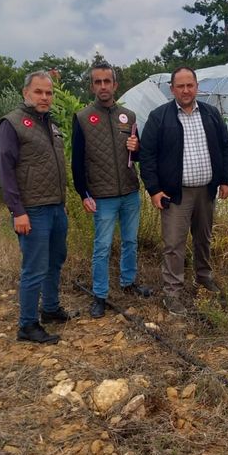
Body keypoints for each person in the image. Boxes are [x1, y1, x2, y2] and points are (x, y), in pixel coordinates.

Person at [139, 66, 228, 315]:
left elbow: (225, 146)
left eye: (189, 85)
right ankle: (172, 292)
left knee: (203, 238)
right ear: (172, 89)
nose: (185, 90)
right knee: (173, 243)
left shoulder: (211, 114)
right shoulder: (159, 117)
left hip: (206, 190)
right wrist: (154, 190)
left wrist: (226, 179)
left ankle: (203, 277)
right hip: (175, 194)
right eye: (180, 86)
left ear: (197, 87)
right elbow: (147, 156)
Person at [0, 71, 77, 344]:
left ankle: (51, 309)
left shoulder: (49, 124)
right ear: (26, 93)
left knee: (56, 260)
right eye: (39, 92)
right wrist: (17, 211)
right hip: (32, 210)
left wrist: (62, 204)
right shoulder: (12, 123)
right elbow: (6, 171)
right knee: (34, 267)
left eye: (49, 93)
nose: (45, 97)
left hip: (55, 207)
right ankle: (27, 325)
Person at [72, 61, 152, 319]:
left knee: (130, 241)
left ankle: (128, 283)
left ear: (115, 84)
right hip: (102, 195)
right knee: (103, 246)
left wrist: (137, 147)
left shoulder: (127, 116)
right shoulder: (83, 118)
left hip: (129, 191)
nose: (103, 86)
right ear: (92, 86)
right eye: (98, 82)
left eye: (107, 81)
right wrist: (83, 194)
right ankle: (100, 294)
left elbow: (136, 156)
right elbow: (77, 160)